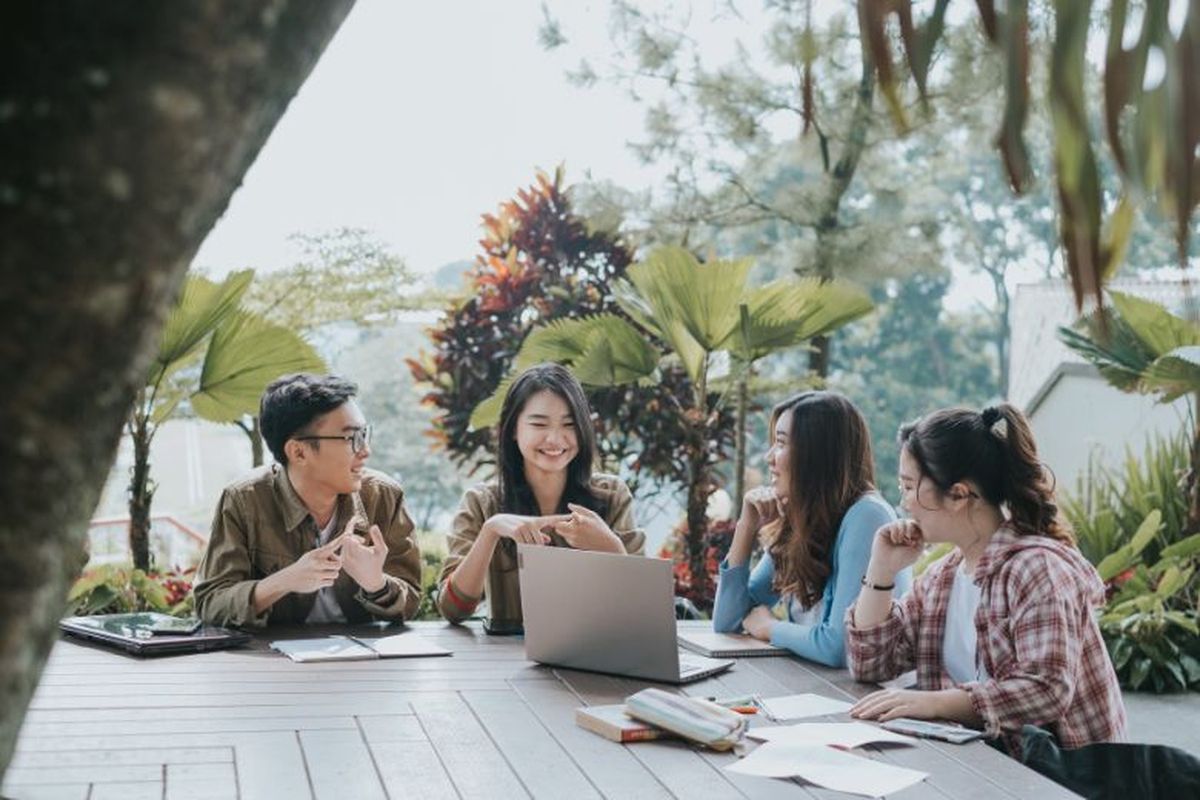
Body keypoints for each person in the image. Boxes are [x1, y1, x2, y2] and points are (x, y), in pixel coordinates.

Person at [846, 403, 1127, 755]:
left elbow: (1047, 689)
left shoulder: (1037, 569)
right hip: (979, 764)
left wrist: (934, 704)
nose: (903, 503)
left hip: (1061, 778)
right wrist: (881, 570)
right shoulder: (943, 578)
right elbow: (871, 664)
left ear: (959, 495)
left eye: (908, 487)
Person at [194, 374, 422, 627]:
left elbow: (411, 603)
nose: (365, 450)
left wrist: (376, 584)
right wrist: (284, 581)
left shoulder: (384, 496)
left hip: (363, 662)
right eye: (351, 438)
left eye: (364, 434)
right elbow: (211, 603)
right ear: (299, 452)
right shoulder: (243, 500)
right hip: (271, 663)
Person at [437, 363, 645, 629]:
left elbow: (641, 606)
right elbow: (453, 611)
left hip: (595, 655)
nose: (555, 439)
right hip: (505, 662)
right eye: (539, 424)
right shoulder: (481, 502)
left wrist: (611, 547)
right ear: (512, 429)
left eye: (569, 424)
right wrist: (489, 532)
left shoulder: (612, 496)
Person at [712, 391, 910, 666]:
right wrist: (746, 527)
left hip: (865, 697)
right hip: (814, 687)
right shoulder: (804, 518)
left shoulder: (868, 517)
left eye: (780, 443)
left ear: (816, 455)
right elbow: (727, 621)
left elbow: (840, 647)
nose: (770, 457)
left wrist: (771, 628)